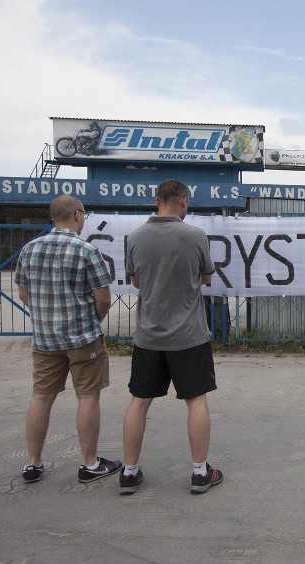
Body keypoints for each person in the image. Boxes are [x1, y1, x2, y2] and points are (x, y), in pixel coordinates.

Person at [120, 178, 222, 495]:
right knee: (196, 401)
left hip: (149, 335)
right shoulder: (194, 236)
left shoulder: (135, 237)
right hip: (189, 336)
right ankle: (199, 472)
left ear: (156, 201)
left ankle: (129, 471)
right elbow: (206, 276)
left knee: (139, 402)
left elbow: (136, 282)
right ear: (183, 201)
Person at [15, 195, 122, 484]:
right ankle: (89, 463)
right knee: (87, 395)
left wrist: (45, 316)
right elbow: (103, 298)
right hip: (82, 338)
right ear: (77, 215)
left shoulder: (30, 249)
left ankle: (33, 463)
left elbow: (23, 293)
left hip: (45, 340)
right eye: (84, 214)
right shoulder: (86, 251)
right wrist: (90, 322)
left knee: (41, 396)